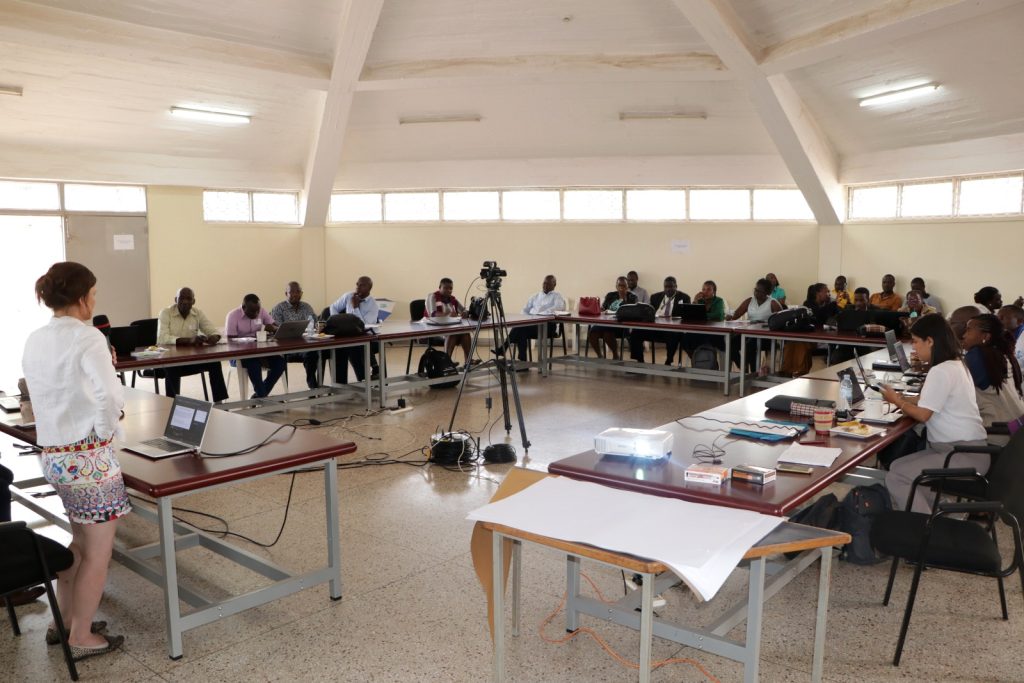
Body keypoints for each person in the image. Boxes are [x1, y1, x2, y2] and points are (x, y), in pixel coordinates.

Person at [21, 262, 126, 658]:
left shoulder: (35, 338)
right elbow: (111, 397)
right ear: (82, 298)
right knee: (99, 552)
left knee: (79, 543)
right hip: (89, 461)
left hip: (54, 458)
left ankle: (62, 621)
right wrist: (103, 433)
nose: (94, 302)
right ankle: (81, 635)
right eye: (93, 295)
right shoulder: (88, 338)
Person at [881, 314, 987, 513]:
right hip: (964, 450)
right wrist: (900, 397)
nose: (914, 347)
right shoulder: (956, 364)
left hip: (963, 454)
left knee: (896, 477)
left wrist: (897, 401)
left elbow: (923, 414)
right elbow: (928, 400)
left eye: (915, 342)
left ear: (930, 341)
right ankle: (940, 515)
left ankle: (927, 530)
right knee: (897, 466)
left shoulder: (941, 371)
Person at [156, 287, 229, 402]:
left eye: (188, 299)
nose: (185, 301)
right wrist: (189, 340)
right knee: (172, 367)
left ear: (193, 301)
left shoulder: (197, 313)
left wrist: (214, 337)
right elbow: (162, 338)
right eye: (181, 298)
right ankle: (172, 404)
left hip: (190, 360)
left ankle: (220, 404)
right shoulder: (165, 313)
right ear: (176, 299)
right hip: (169, 361)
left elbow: (212, 329)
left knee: (214, 362)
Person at [960, 314, 1024, 444]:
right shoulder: (1004, 355)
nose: (964, 335)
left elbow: (953, 391)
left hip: (997, 435)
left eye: (968, 330)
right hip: (1016, 429)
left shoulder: (977, 355)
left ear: (986, 337)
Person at [225, 294, 285, 398]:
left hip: (260, 351)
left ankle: (260, 396)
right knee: (254, 364)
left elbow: (275, 326)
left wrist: (274, 328)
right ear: (244, 307)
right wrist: (257, 355)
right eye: (253, 311)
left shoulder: (261, 311)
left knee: (280, 363)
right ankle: (263, 397)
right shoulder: (233, 315)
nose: (256, 314)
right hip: (239, 354)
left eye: (258, 310)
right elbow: (231, 342)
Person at [329, 276, 381, 382]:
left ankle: (365, 377)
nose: (358, 287)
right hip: (348, 333)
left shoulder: (373, 305)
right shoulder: (348, 296)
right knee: (346, 346)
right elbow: (333, 307)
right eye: (357, 284)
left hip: (366, 335)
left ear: (369, 288)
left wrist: (355, 307)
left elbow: (363, 325)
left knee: (355, 346)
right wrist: (337, 321)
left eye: (362, 285)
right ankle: (370, 371)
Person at [271, 281, 321, 389]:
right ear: (286, 294)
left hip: (305, 346)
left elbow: (315, 324)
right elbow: (276, 331)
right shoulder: (278, 308)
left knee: (312, 353)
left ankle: (313, 386)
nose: (295, 294)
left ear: (301, 293)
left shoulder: (307, 307)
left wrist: (319, 327)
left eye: (298, 291)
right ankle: (287, 391)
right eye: (292, 292)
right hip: (286, 349)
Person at [506, 274, 566, 365]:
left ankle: (504, 348)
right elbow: (524, 310)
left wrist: (539, 314)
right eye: (544, 283)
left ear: (554, 285)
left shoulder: (557, 296)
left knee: (520, 329)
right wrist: (528, 318)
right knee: (521, 330)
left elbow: (559, 308)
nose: (545, 285)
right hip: (532, 325)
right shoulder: (535, 296)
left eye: (549, 284)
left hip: (548, 326)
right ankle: (523, 363)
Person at [629, 276, 690, 364]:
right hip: (656, 328)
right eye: (666, 287)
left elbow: (686, 316)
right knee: (636, 332)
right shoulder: (655, 297)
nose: (668, 289)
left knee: (673, 334)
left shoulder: (684, 298)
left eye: (671, 286)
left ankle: (668, 361)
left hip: (672, 330)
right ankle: (639, 361)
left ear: (676, 286)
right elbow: (649, 312)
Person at [780, 283, 837, 377]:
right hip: (811, 335)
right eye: (826, 291)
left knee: (802, 343)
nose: (828, 294)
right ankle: (789, 370)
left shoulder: (830, 304)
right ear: (818, 293)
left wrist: (837, 303)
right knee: (794, 342)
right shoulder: (808, 305)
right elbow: (818, 316)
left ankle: (799, 371)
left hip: (825, 338)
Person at [727, 278, 782, 372]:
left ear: (767, 292)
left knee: (750, 345)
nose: (756, 293)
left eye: (759, 291)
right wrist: (730, 316)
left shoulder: (772, 303)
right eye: (755, 290)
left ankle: (753, 373)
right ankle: (742, 365)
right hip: (748, 333)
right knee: (730, 342)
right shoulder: (750, 301)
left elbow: (782, 320)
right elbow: (736, 314)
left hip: (766, 337)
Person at [425, 277, 473, 366]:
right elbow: (433, 314)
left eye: (450, 288)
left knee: (465, 333)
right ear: (440, 287)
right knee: (452, 333)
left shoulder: (452, 299)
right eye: (445, 288)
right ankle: (447, 361)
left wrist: (465, 313)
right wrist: (447, 315)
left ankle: (468, 361)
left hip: (450, 328)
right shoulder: (432, 296)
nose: (448, 290)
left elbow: (463, 310)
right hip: (433, 328)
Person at [588, 276, 636, 360]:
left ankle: (615, 355)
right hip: (606, 322)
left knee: (607, 333)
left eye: (624, 286)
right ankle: (600, 356)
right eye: (619, 286)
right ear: (616, 286)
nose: (621, 288)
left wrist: (624, 298)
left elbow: (631, 312)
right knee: (592, 332)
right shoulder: (610, 295)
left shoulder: (632, 297)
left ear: (627, 286)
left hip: (621, 325)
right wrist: (599, 307)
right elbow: (603, 308)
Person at [681, 280, 726, 360]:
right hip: (701, 331)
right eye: (703, 289)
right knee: (684, 339)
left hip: (715, 332)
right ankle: (696, 360)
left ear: (714, 291)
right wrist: (695, 301)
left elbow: (718, 315)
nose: (705, 292)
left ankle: (708, 362)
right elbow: (692, 315)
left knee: (707, 340)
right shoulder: (700, 301)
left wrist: (702, 316)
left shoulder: (719, 300)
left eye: (709, 289)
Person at [997, 304, 1024, 371]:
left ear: (1019, 321)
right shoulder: (1001, 335)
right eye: (997, 318)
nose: (998, 321)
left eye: (1002, 318)